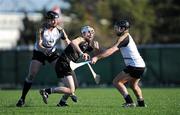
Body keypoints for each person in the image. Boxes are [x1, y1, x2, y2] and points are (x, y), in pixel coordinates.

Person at [16, 10, 71, 107]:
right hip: (39, 53)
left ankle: (68, 93)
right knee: (31, 75)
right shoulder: (41, 29)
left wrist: (77, 50)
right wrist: (45, 50)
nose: (54, 21)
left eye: (56, 19)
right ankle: (22, 99)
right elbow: (40, 45)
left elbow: (68, 42)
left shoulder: (60, 30)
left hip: (52, 53)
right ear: (48, 20)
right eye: (52, 20)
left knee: (62, 70)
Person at [39, 25, 100, 107]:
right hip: (64, 63)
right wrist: (82, 54)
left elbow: (95, 55)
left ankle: (62, 102)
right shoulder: (80, 39)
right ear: (83, 33)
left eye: (92, 33)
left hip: (69, 65)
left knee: (75, 86)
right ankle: (46, 91)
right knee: (71, 89)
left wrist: (96, 49)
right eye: (88, 32)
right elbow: (73, 42)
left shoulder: (87, 44)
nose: (91, 34)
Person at [91, 20, 146, 107]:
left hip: (134, 66)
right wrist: (98, 49)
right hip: (140, 65)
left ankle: (130, 102)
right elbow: (111, 50)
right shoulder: (125, 37)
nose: (115, 30)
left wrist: (97, 57)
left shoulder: (124, 37)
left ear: (122, 28)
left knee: (117, 82)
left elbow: (112, 50)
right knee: (133, 86)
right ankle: (141, 104)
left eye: (116, 28)